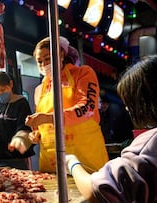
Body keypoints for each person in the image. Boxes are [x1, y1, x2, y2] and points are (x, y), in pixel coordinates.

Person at [66, 55, 157, 203]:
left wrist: (72, 163)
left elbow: (95, 190)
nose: (127, 108)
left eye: (129, 102)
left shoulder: (150, 145)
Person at [25, 36, 109, 173]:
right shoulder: (39, 89)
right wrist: (36, 134)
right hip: (51, 162)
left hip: (85, 158)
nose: (43, 65)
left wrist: (49, 118)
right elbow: (40, 127)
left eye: (47, 59)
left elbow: (87, 108)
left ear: (61, 54)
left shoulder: (83, 73)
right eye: (39, 62)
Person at [0, 71, 35, 170]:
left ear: (11, 84)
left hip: (17, 159)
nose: (1, 94)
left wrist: (18, 140)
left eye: (3, 89)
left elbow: (25, 126)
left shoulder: (21, 103)